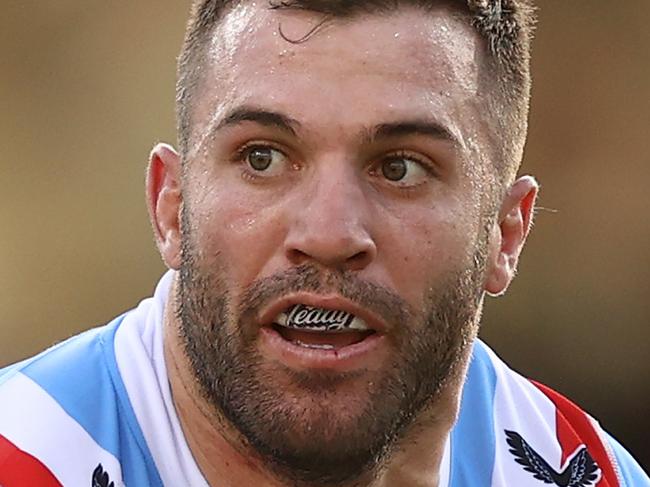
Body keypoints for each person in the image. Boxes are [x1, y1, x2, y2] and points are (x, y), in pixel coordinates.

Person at [0, 0, 647, 486]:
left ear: (507, 233)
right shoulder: (24, 455)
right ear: (171, 205)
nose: (329, 234)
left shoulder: (590, 473)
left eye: (400, 167)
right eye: (262, 157)